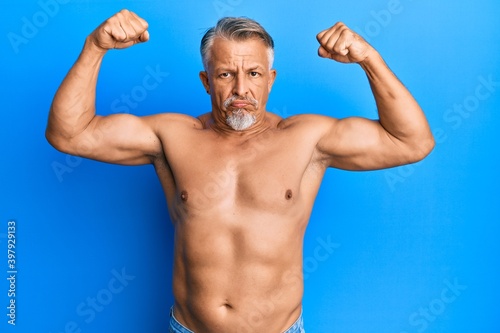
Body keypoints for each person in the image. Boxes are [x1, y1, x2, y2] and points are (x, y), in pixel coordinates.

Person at [46, 9, 435, 333]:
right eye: (225, 74)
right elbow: (69, 134)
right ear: (206, 80)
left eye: (253, 74)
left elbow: (412, 142)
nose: (240, 89)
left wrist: (369, 59)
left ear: (271, 79)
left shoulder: (307, 138)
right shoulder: (172, 137)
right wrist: (95, 48)